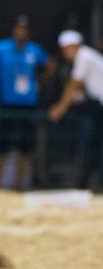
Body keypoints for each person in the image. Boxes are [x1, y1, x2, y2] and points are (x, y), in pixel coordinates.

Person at [48, 30, 103, 192]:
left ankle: (88, 183)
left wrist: (60, 109)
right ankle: (99, 183)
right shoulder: (89, 56)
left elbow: (74, 84)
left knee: (93, 144)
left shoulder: (84, 56)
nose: (66, 54)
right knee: (100, 145)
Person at [0, 15, 49, 189]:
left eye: (24, 29)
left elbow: (50, 65)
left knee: (25, 146)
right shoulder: (3, 48)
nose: (21, 32)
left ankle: (19, 185)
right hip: (7, 104)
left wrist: (40, 82)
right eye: (18, 29)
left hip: (28, 105)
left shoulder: (34, 50)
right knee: (3, 145)